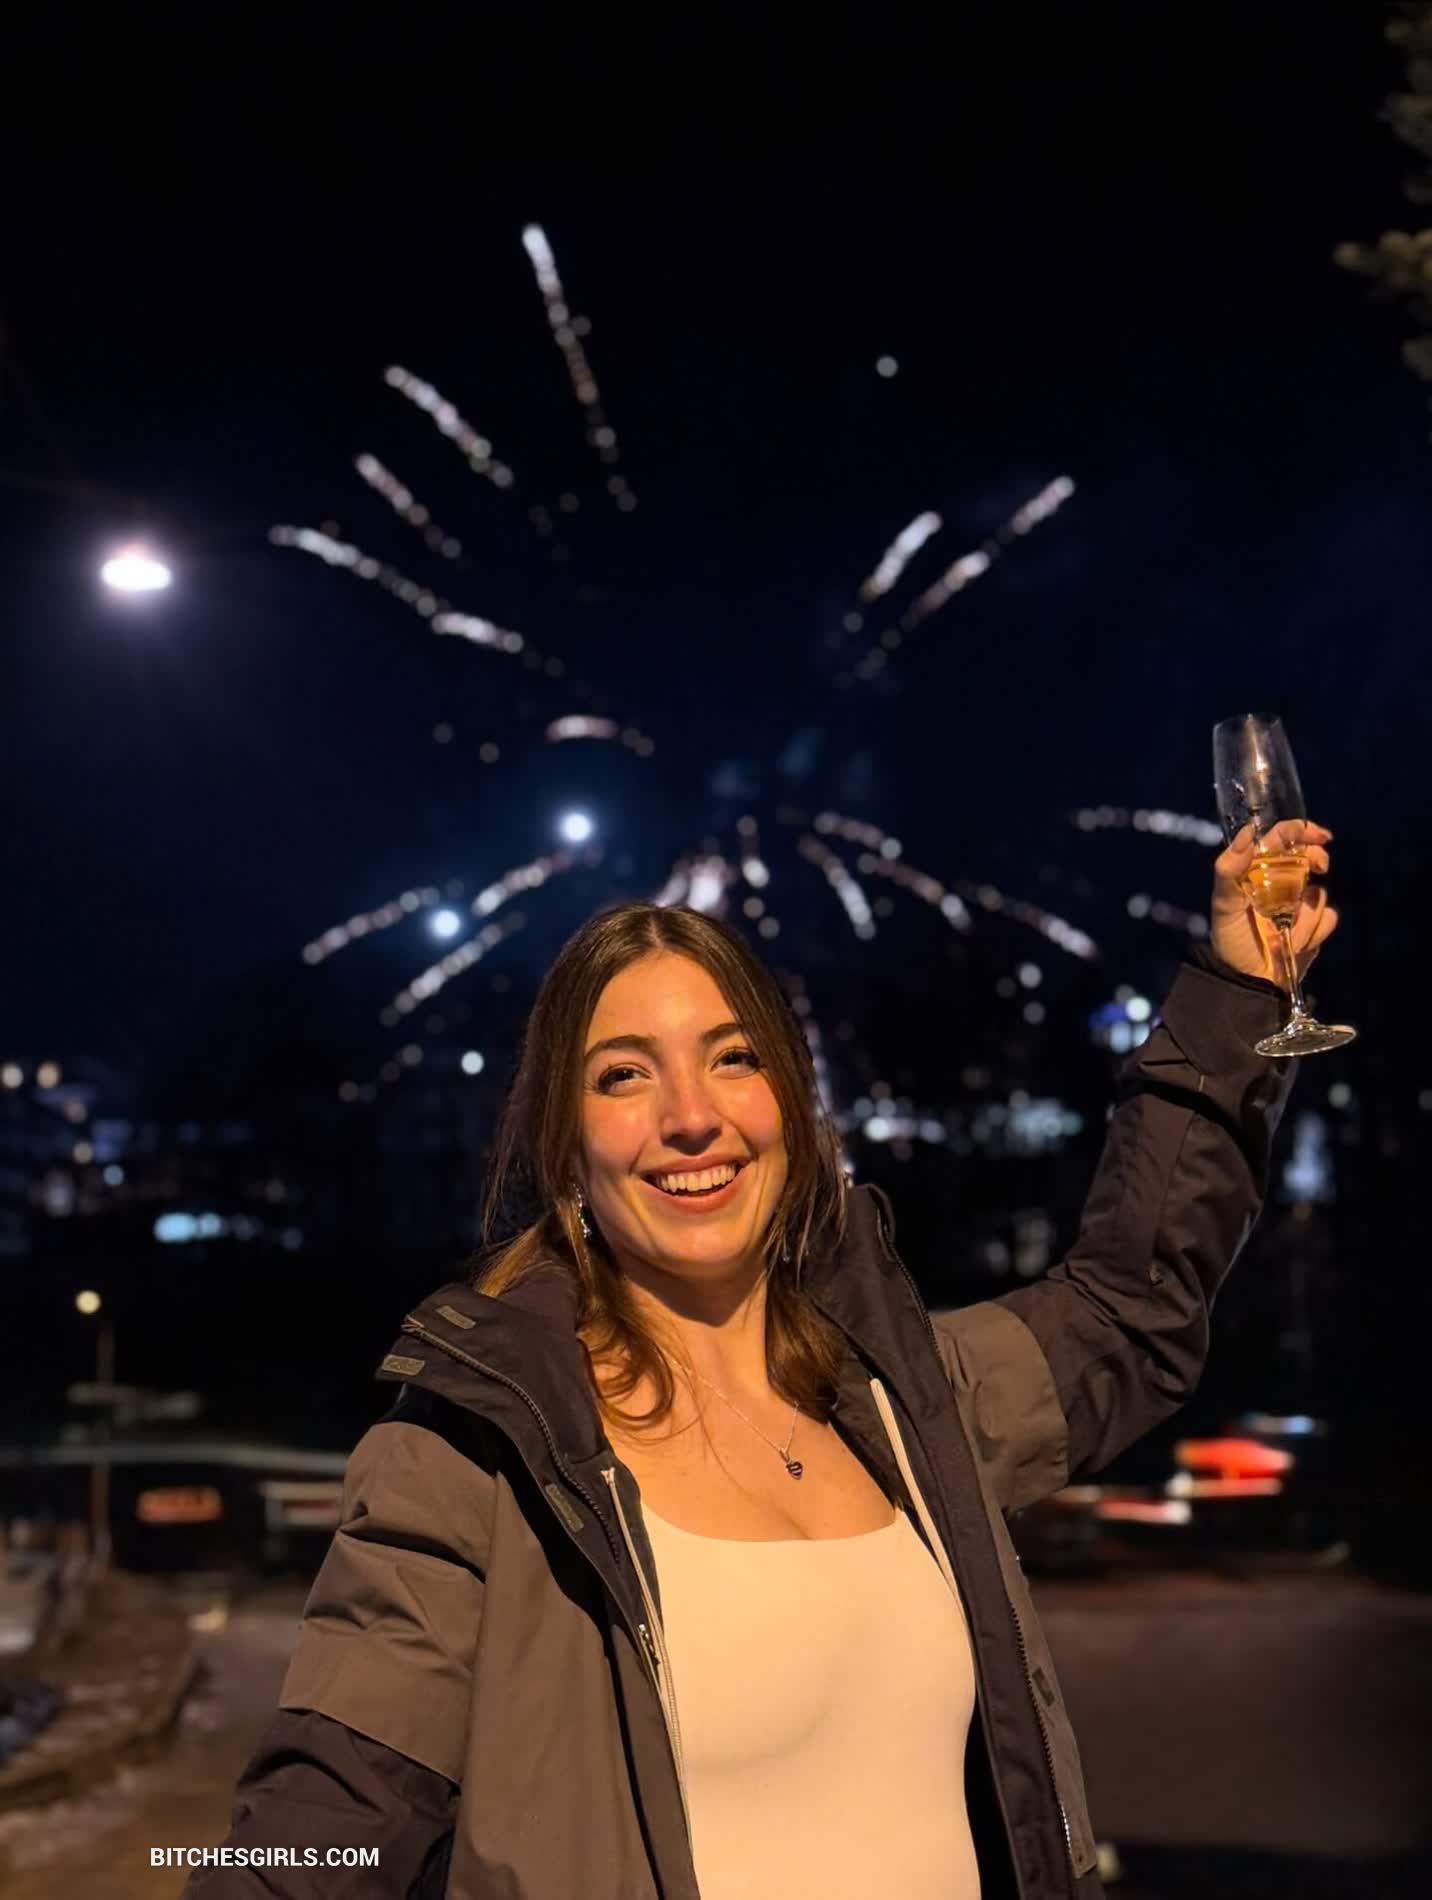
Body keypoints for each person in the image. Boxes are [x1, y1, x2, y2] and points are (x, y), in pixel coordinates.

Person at [186, 818, 1338, 1900]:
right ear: (565, 1149)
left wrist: (1234, 999)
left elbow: (1130, 1307)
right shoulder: (475, 1462)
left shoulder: (906, 1405)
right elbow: (317, 1832)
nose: (691, 1115)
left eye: (732, 1058)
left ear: (789, 1101)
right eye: (624, 1074)